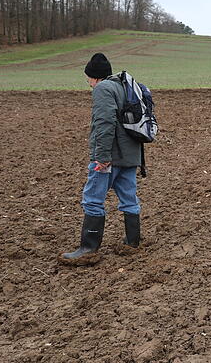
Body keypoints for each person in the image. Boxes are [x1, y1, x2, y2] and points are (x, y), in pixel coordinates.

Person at [61, 53, 143, 263]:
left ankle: (88, 248)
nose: (87, 82)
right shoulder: (123, 86)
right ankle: (132, 242)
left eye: (87, 78)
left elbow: (104, 123)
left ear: (94, 77)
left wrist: (102, 157)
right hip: (130, 153)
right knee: (129, 199)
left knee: (92, 199)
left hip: (111, 156)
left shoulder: (102, 89)